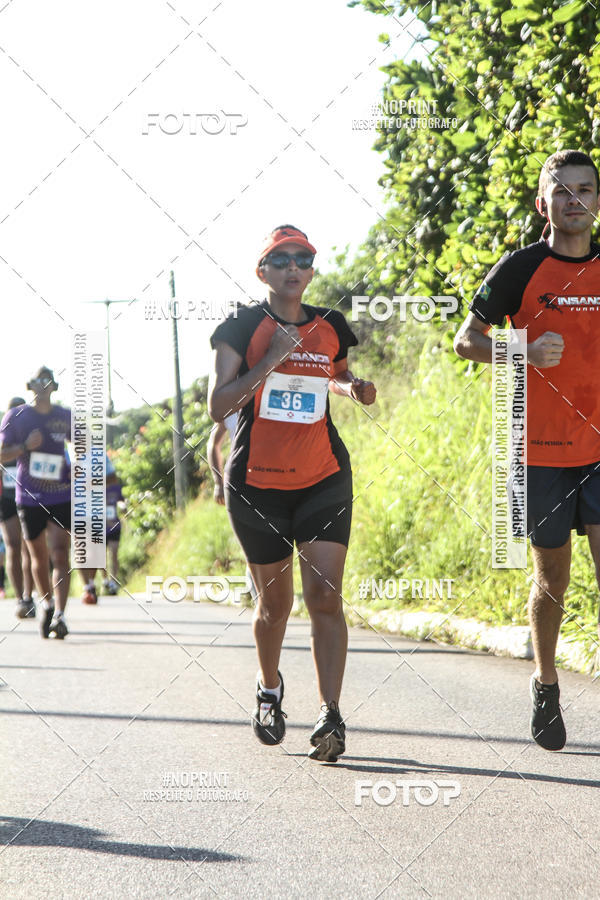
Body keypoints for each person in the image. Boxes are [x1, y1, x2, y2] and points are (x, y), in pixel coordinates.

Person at [209, 224, 376, 762]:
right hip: (258, 485)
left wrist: (354, 388)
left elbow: (334, 375)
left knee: (325, 597)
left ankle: (331, 714)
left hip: (323, 476)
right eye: (280, 259)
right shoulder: (240, 326)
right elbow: (219, 404)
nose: (293, 267)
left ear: (311, 269)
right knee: (274, 606)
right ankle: (269, 688)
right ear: (263, 271)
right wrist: (268, 362)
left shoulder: (331, 326)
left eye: (302, 258)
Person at [454, 149, 600, 751]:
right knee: (553, 581)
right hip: (540, 451)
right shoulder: (520, 268)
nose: (574, 200)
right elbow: (467, 342)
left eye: (585, 190)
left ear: (597, 200)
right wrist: (520, 350)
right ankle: (545, 682)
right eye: (562, 191)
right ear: (544, 203)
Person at [0, 367, 71, 639]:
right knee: (38, 557)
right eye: (37, 382)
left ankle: (61, 615)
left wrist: (80, 465)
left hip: (62, 494)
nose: (42, 386)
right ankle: (48, 604)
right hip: (29, 497)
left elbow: (85, 445)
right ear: (31, 387)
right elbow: (2, 454)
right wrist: (26, 447)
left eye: (47, 381)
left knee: (60, 553)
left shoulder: (65, 416)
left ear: (54, 387)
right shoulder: (16, 417)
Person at [0, 396, 35, 617]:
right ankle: (22, 598)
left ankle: (29, 595)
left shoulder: (34, 438)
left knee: (28, 548)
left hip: (29, 497)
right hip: (6, 500)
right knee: (13, 545)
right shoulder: (3, 438)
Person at [79, 456, 124, 602]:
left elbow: (121, 501)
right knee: (97, 554)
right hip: (95, 522)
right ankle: (97, 583)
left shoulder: (113, 485)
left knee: (113, 553)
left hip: (113, 525)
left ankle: (112, 582)